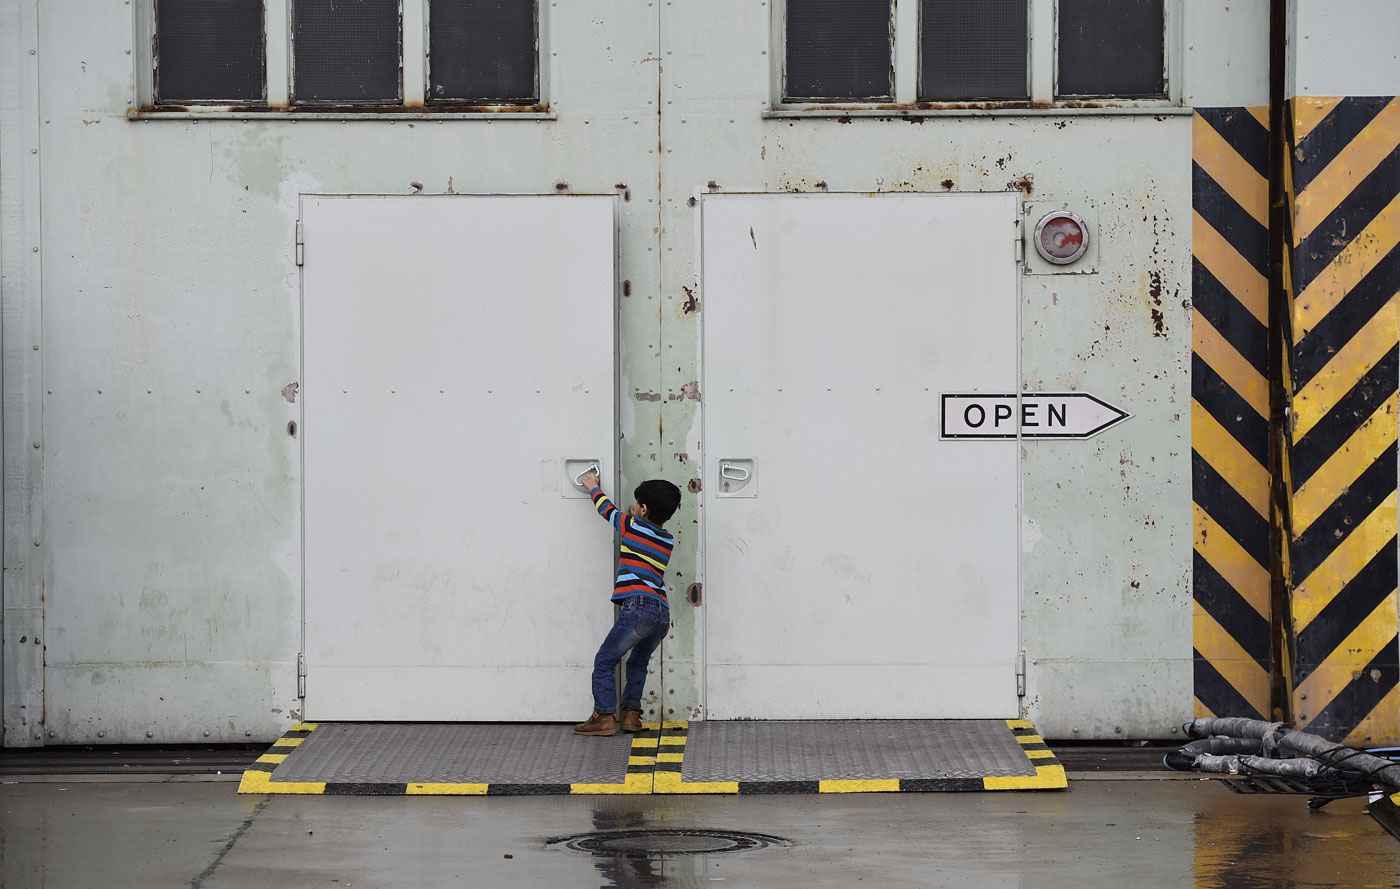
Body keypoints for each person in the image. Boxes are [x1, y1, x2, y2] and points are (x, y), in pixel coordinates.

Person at [574, 472, 682, 737]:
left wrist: (592, 486)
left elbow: (607, 510)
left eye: (637, 504)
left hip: (639, 606)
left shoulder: (632, 525)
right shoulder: (667, 540)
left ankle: (604, 716)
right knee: (637, 663)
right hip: (660, 611)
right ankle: (631, 714)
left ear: (643, 509)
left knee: (605, 660)